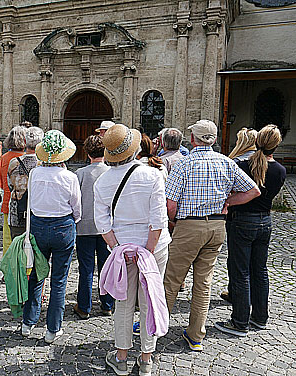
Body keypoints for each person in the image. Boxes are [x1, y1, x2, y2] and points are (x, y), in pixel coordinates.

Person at [164, 119, 260, 352]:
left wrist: (174, 222)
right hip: (217, 227)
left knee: (172, 279)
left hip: (189, 226)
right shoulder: (226, 163)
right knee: (203, 282)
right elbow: (253, 191)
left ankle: (155, 325)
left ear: (193, 139)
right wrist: (228, 201)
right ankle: (196, 334)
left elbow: (170, 204)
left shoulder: (184, 165)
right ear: (214, 139)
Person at [94, 124, 171, 376]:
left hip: (123, 250)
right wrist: (147, 252)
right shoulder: (153, 175)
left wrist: (118, 248)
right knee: (150, 301)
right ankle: (146, 359)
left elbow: (102, 223)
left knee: (123, 303)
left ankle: (121, 357)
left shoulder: (102, 181)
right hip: (153, 248)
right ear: (134, 148)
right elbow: (158, 220)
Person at [214, 125, 286, 337]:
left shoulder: (244, 166)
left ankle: (240, 321)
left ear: (257, 141)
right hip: (265, 222)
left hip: (242, 221)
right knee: (260, 271)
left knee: (241, 272)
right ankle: (260, 317)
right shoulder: (280, 171)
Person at [21, 130, 81, 344]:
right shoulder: (70, 177)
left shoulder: (35, 174)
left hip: (39, 225)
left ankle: (28, 322)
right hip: (62, 226)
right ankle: (52, 329)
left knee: (36, 276)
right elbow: (77, 209)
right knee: (59, 279)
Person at [73, 135, 114, 320]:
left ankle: (84, 306)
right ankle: (107, 304)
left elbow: (75, 201)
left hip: (85, 226)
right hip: (107, 228)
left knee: (86, 268)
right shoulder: (112, 172)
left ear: (87, 152)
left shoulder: (80, 174)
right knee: (107, 267)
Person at [220, 127, 259, 303]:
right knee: (257, 265)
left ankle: (237, 297)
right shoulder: (264, 162)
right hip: (262, 216)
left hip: (239, 216)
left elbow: (227, 190)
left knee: (237, 262)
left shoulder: (236, 162)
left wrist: (227, 202)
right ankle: (257, 307)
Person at [7, 126, 44, 239]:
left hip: (17, 212)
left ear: (24, 142)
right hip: (38, 213)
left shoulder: (14, 162)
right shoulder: (43, 164)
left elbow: (10, 185)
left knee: (19, 249)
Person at [0, 126, 26, 253]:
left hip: (8, 201)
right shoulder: (28, 158)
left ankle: (8, 268)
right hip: (24, 204)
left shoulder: (4, 157)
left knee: (7, 240)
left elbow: (1, 182)